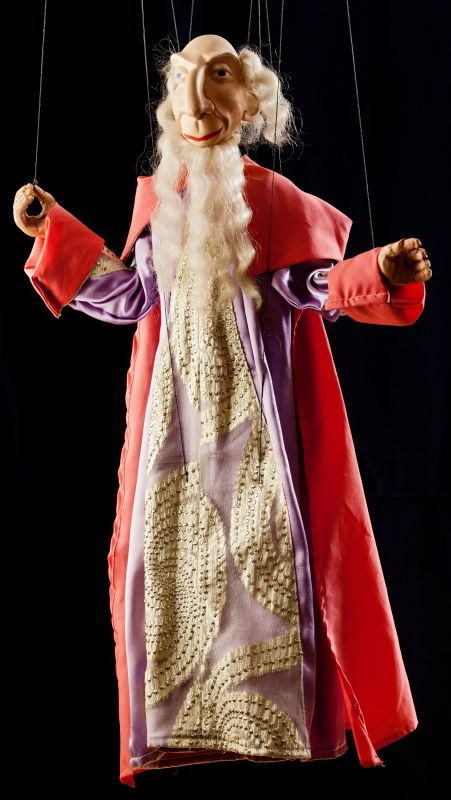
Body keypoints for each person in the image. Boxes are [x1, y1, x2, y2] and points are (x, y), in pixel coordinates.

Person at [13, 33, 431, 787]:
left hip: (257, 425)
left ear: (249, 103)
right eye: (183, 79)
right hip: (175, 423)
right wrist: (52, 232)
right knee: (166, 567)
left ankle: (277, 719)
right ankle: (178, 725)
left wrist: (382, 269)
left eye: (218, 77)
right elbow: (128, 294)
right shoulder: (163, 204)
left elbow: (315, 287)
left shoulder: (271, 200)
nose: (197, 98)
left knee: (271, 561)